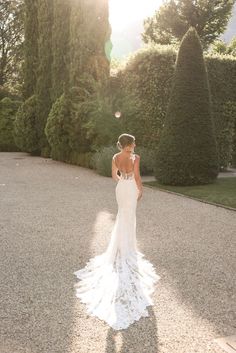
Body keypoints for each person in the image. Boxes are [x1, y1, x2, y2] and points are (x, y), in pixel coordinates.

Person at [73, 133, 161, 330]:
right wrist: (141, 189)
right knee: (129, 218)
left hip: (121, 188)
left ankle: (120, 249)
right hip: (130, 188)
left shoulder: (114, 157)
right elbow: (137, 177)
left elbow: (114, 176)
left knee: (122, 216)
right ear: (129, 144)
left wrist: (123, 180)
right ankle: (127, 248)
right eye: (134, 142)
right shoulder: (135, 158)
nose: (136, 144)